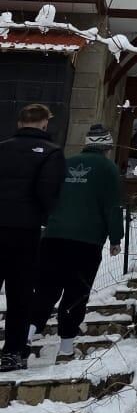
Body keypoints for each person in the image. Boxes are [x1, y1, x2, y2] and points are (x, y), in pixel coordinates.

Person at [31, 124, 124, 364]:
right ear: (106, 146)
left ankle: (24, 338)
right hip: (86, 241)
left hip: (53, 237)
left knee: (45, 291)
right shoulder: (108, 169)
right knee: (75, 293)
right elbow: (112, 206)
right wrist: (116, 238)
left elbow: (48, 196)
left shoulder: (65, 163)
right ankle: (65, 349)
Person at [0, 103, 67, 372]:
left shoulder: (2, 148)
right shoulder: (52, 153)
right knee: (20, 293)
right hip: (25, 231)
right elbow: (48, 192)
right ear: (44, 124)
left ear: (19, 123)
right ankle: (12, 352)